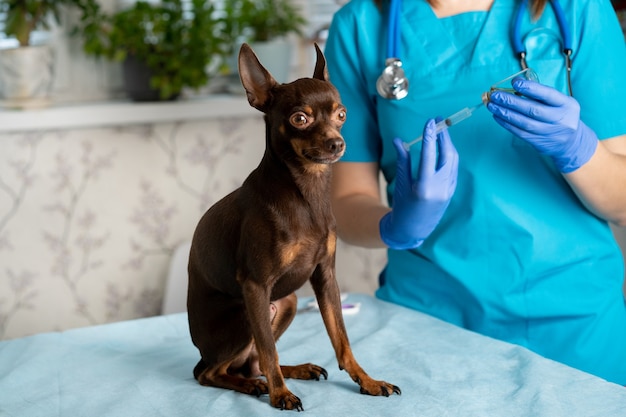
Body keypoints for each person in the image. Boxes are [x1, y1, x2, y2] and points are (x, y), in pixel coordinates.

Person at [324, 0, 626, 385]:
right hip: (427, 324)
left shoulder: (577, 9)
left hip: (575, 325)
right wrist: (394, 225)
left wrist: (579, 150)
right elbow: (346, 201)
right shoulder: (361, 26)